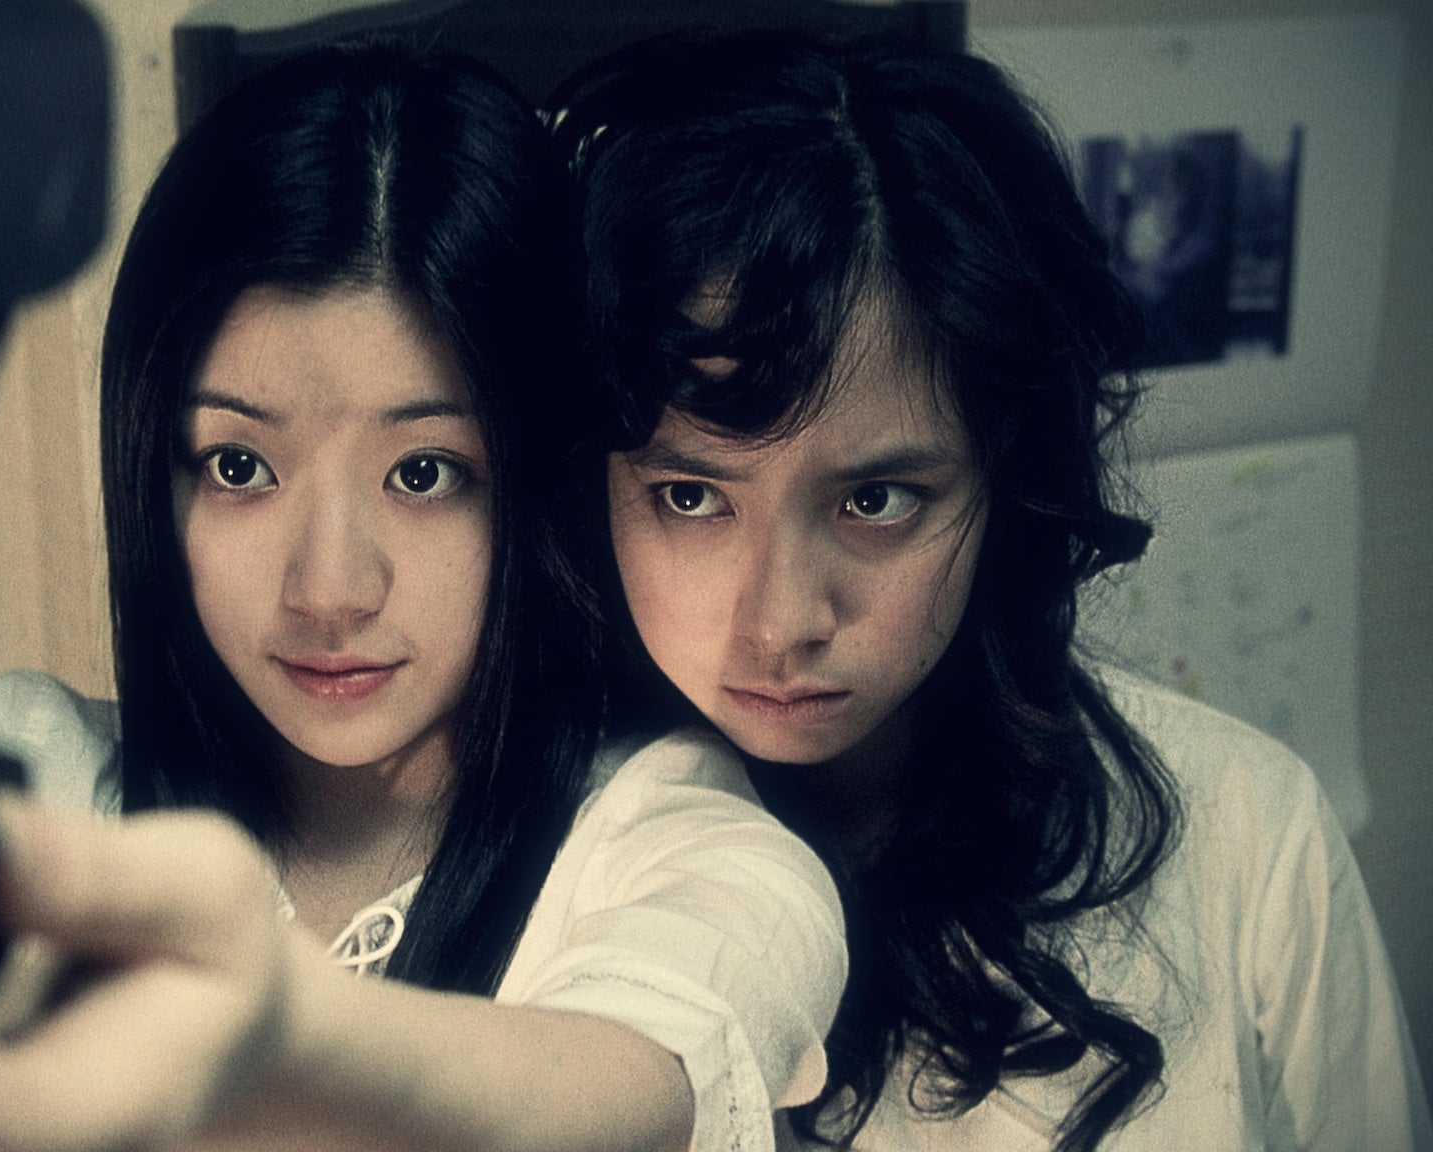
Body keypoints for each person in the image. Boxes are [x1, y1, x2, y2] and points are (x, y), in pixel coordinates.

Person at [0, 42, 845, 1152]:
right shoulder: (40, 777)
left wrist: (284, 1030)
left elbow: (634, 1078)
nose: (328, 590)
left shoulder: (678, 845)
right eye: (238, 467)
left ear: (537, 480)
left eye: (424, 474)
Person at [551, 32, 1431, 1152]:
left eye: (876, 501)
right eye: (690, 497)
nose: (778, 623)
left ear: (1002, 477)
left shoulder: (1248, 838)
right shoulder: (515, 857)